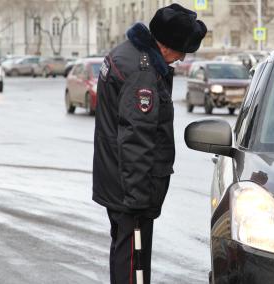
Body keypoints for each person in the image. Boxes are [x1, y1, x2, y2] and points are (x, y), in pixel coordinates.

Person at [92, 4, 207, 284]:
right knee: (133, 263)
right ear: (167, 46)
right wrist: (138, 200)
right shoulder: (143, 73)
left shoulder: (129, 54)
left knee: (124, 255)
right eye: (182, 52)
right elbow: (136, 139)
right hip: (131, 190)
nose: (180, 59)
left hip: (118, 181)